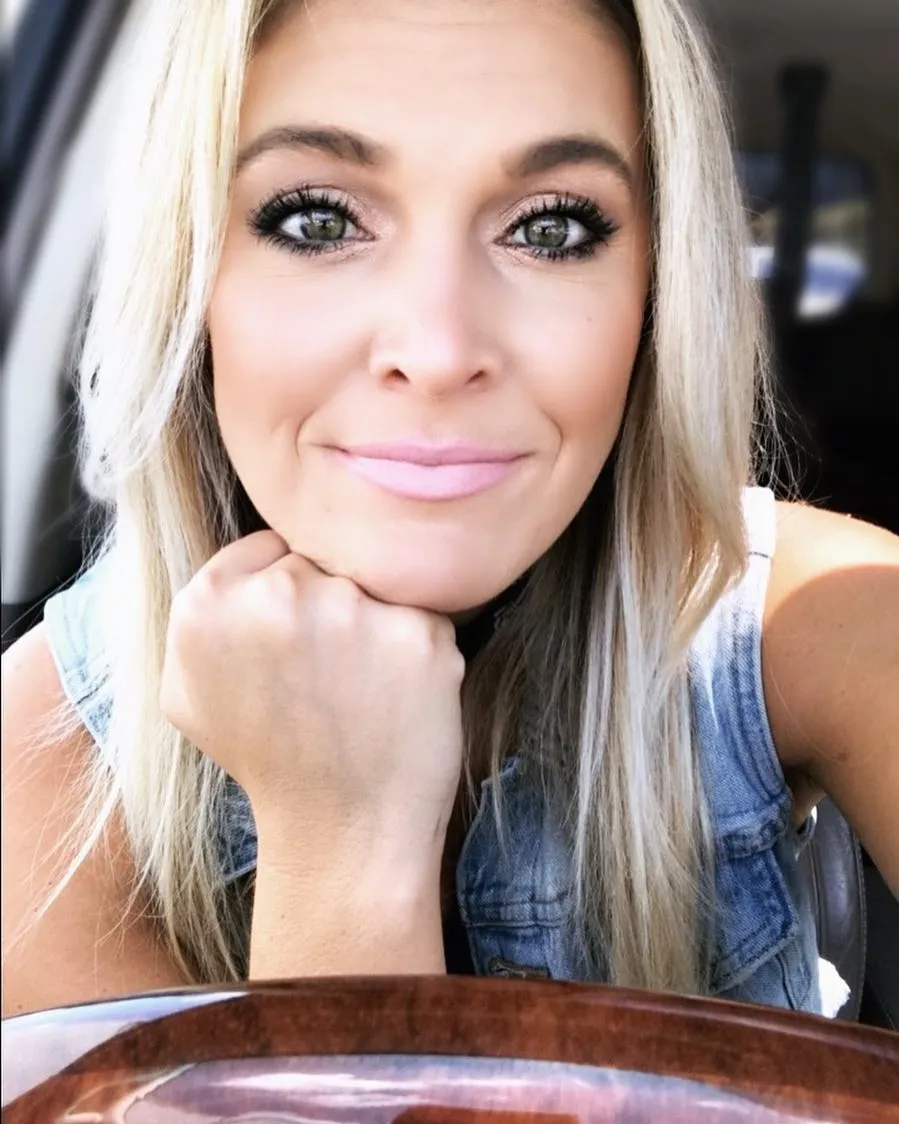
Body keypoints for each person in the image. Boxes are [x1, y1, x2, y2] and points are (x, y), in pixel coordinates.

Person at [2, 0, 897, 1020]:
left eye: (550, 228)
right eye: (317, 221)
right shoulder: (32, 776)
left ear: (655, 293)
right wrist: (343, 839)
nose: (436, 351)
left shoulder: (824, 617)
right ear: (191, 277)